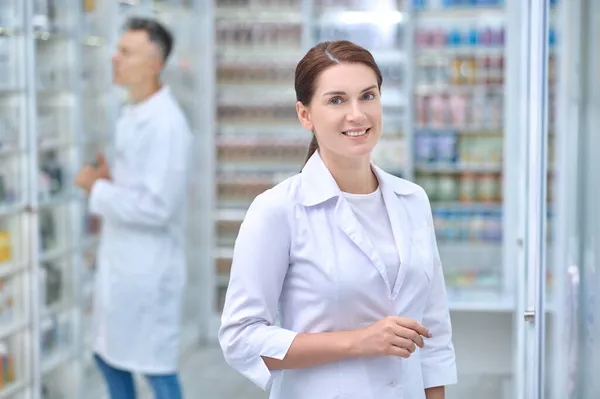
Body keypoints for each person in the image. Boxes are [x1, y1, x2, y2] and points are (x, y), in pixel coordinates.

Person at [218, 40, 457, 399]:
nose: (357, 114)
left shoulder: (413, 200)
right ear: (305, 114)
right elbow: (240, 338)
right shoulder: (277, 210)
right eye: (336, 100)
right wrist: (357, 342)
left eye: (368, 96)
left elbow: (433, 330)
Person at [74, 16, 191, 399]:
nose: (114, 58)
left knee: (156, 371)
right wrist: (108, 179)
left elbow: (159, 208)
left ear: (154, 65)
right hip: (122, 263)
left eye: (126, 52)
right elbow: (139, 182)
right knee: (108, 357)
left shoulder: (168, 125)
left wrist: (98, 188)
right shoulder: (132, 112)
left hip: (147, 271)